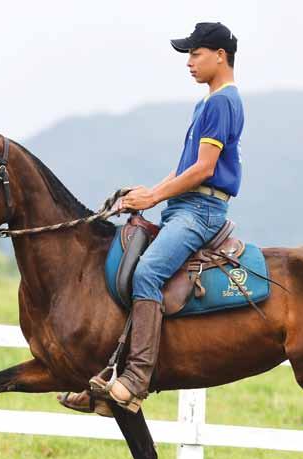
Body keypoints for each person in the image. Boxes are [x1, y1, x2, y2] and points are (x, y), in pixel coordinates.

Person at [59, 21, 244, 415]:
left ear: (219, 56)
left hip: (202, 211)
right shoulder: (207, 103)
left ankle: (136, 380)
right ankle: (110, 376)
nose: (189, 63)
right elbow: (185, 170)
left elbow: (204, 170)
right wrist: (146, 195)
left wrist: (156, 195)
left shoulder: (221, 103)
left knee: (146, 275)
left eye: (195, 54)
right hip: (185, 206)